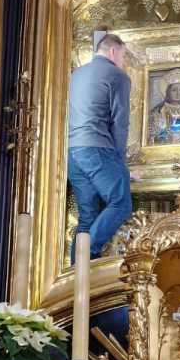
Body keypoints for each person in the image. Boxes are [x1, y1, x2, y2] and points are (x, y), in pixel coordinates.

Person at [68, 34, 132, 259]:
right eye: (123, 56)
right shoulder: (118, 76)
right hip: (96, 148)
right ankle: (85, 257)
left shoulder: (76, 74)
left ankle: (76, 273)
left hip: (72, 152)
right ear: (113, 51)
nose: (123, 61)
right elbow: (120, 123)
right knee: (121, 204)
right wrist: (121, 165)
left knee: (87, 217)